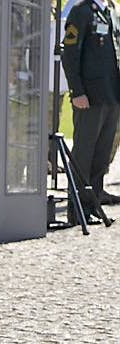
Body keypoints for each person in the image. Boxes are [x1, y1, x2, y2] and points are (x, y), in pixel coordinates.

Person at [62, 0, 120, 213]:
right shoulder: (81, 11)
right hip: (90, 96)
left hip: (112, 95)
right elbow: (70, 54)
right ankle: (78, 209)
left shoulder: (111, 11)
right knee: (84, 153)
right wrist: (77, 91)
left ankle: (94, 204)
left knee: (102, 154)